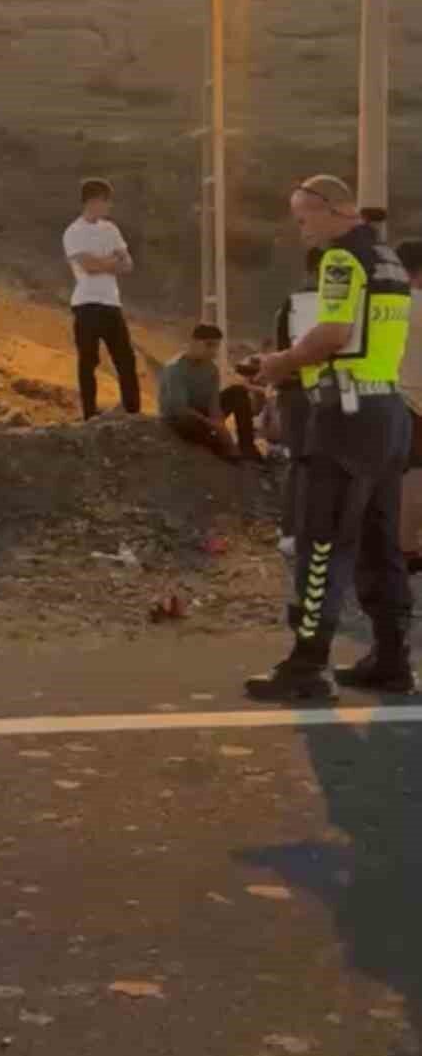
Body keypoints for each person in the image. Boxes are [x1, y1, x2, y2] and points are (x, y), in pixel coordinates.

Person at [244, 175, 413, 702]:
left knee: (321, 540)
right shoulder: (388, 259)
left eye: (304, 219)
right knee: (380, 543)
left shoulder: (341, 259)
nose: (303, 231)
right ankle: (392, 660)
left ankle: (307, 665)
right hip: (387, 411)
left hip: (345, 414)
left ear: (332, 209)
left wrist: (280, 362)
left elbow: (333, 334)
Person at [62, 177, 141, 420]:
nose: (109, 206)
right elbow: (89, 266)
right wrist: (111, 261)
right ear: (93, 201)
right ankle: (89, 413)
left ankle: (132, 410)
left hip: (111, 303)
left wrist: (103, 263)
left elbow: (128, 264)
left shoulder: (111, 229)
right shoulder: (74, 232)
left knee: (125, 358)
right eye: (106, 201)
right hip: (86, 303)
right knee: (89, 361)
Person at [272, 249, 323, 550]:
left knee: (301, 461)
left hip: (295, 391)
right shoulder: (316, 302)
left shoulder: (291, 303)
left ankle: (292, 530)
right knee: (309, 462)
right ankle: (298, 531)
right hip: (310, 391)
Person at [158, 324, 259, 461]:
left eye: (216, 346)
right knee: (188, 424)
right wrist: (213, 425)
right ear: (193, 342)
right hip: (180, 418)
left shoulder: (211, 369)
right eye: (209, 345)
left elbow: (214, 404)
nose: (213, 351)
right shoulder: (175, 369)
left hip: (203, 415)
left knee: (238, 392)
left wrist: (220, 425)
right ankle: (217, 446)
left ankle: (247, 447)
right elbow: (180, 409)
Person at [395, 237, 422, 575]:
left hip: (393, 395)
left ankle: (401, 545)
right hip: (416, 397)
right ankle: (406, 546)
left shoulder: (392, 304)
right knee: (415, 472)